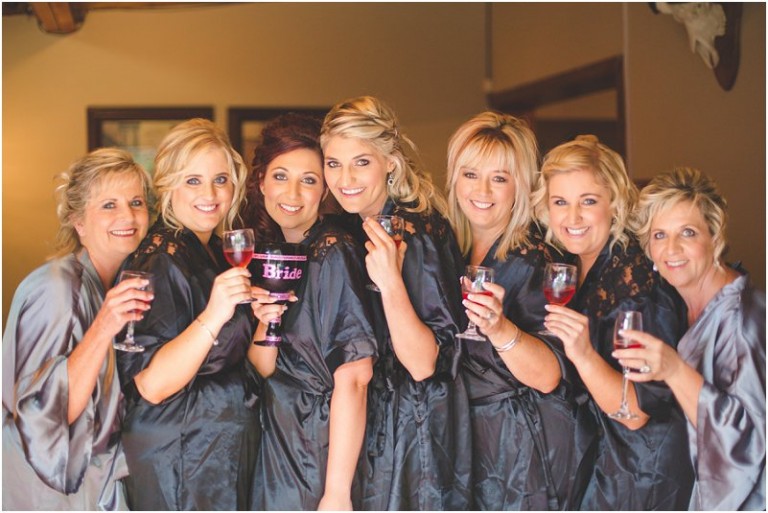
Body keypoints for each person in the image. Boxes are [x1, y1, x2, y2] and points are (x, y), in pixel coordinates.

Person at [320, 96, 471, 510]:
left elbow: (424, 363)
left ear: (390, 162)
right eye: (334, 163)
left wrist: (390, 283)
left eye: (361, 162)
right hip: (382, 427)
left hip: (415, 433)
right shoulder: (358, 226)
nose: (345, 178)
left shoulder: (416, 233)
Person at [532, 135, 694, 509]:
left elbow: (635, 412)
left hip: (640, 472)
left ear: (615, 203)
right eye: (560, 202)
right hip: (600, 461)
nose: (572, 217)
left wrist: (583, 354)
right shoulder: (573, 265)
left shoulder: (637, 285)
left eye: (588, 201)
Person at [445, 112, 597, 509]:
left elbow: (549, 376)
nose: (482, 190)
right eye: (470, 174)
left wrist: (499, 328)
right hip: (472, 440)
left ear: (521, 186)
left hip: (523, 445)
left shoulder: (535, 261)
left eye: (499, 178)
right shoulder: (450, 251)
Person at [116, 119, 259, 510]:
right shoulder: (159, 260)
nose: (209, 195)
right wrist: (215, 313)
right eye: (193, 181)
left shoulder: (212, 250)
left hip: (210, 456)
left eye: (220, 180)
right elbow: (152, 384)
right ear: (168, 185)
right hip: (179, 461)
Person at [239, 113, 378, 510]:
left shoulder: (332, 252)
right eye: (281, 176)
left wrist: (337, 493)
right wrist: (265, 320)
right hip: (277, 441)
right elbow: (264, 368)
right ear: (261, 181)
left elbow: (355, 376)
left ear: (325, 190)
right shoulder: (268, 254)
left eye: (309, 179)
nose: (293, 192)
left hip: (317, 446)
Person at [3, 149, 151, 509]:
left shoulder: (116, 283)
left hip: (96, 485)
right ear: (78, 221)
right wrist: (102, 328)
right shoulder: (55, 289)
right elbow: (44, 417)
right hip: (50, 495)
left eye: (136, 202)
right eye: (109, 205)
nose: (127, 215)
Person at [614, 167, 765, 510]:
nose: (672, 248)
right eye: (659, 235)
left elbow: (751, 445)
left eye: (687, 232)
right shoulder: (679, 306)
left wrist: (674, 370)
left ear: (715, 236)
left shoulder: (743, 320)